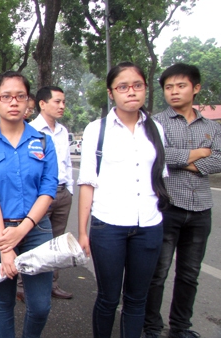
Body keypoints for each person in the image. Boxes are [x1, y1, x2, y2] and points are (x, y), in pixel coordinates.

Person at [77, 62, 169, 338]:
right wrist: (83, 232)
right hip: (109, 227)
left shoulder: (156, 129)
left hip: (149, 226)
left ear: (145, 89)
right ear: (111, 93)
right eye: (123, 87)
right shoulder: (97, 129)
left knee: (137, 299)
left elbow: (158, 177)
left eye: (137, 85)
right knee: (108, 297)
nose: (131, 92)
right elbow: (87, 183)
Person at [0, 70, 58, 338]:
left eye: (20, 96)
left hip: (37, 231)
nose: (14, 102)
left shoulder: (43, 141)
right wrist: (5, 246)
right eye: (6, 96)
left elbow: (48, 189)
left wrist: (23, 229)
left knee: (41, 306)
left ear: (28, 101)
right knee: (3, 301)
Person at [143, 63, 221, 338]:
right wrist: (200, 153)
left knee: (189, 274)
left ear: (196, 88)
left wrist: (188, 158)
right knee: (158, 272)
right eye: (168, 87)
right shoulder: (155, 123)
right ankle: (151, 326)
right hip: (167, 207)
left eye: (181, 86)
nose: (174, 92)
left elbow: (218, 160)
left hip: (201, 209)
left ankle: (180, 327)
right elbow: (159, 157)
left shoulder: (211, 126)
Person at [24, 86, 74, 302]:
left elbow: (67, 163)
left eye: (63, 101)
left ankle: (52, 284)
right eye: (57, 101)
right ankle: (24, 285)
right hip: (40, 196)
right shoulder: (31, 130)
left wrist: (69, 189)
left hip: (63, 193)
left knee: (57, 242)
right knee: (34, 240)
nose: (62, 106)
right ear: (42, 104)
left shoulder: (63, 131)